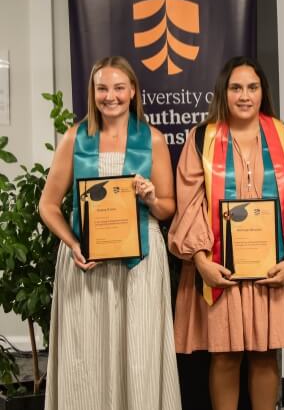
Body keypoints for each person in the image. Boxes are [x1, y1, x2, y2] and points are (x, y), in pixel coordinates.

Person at [168, 56, 284, 410]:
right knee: (224, 356)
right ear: (224, 92)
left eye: (252, 87)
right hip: (220, 268)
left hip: (275, 267)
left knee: (264, 354)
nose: (244, 95)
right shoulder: (201, 138)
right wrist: (202, 263)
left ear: (262, 92)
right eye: (236, 88)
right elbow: (189, 206)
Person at [39, 56, 181, 409]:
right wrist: (73, 244)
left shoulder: (154, 140)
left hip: (141, 262)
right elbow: (48, 205)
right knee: (87, 352)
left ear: (132, 91)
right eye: (102, 88)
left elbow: (167, 208)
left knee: (139, 352)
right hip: (86, 261)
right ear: (93, 92)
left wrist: (150, 197)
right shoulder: (74, 138)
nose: (110, 96)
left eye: (119, 87)